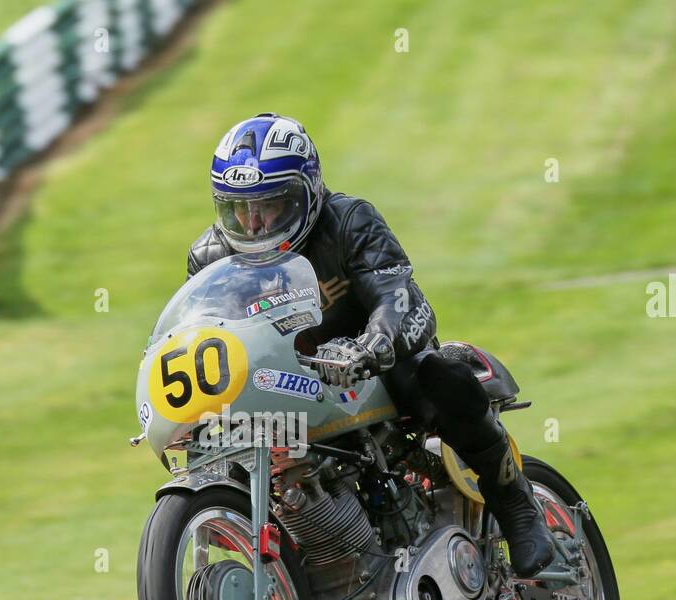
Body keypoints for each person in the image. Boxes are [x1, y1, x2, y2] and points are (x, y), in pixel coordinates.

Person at [186, 113, 554, 576]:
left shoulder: (348, 221)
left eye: (271, 206)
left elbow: (394, 292)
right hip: (282, 378)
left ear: (307, 191)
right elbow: (202, 333)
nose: (254, 223)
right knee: (227, 453)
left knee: (443, 378)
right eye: (239, 208)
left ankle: (516, 503)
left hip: (374, 363)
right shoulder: (209, 257)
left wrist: (371, 344)